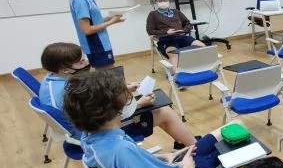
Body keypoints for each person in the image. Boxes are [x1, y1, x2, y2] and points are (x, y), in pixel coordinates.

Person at [62, 70, 229, 168]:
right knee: (236, 138)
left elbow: (132, 162)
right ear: (115, 110)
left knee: (229, 130)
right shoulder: (121, 150)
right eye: (126, 97)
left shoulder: (89, 137)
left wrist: (163, 157)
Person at [39, 42, 196, 149]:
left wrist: (124, 89)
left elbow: (92, 101)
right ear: (65, 69)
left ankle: (182, 141)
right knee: (164, 111)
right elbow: (101, 117)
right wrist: (139, 104)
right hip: (95, 135)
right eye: (81, 62)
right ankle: (195, 148)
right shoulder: (67, 90)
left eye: (84, 58)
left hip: (83, 130)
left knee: (157, 109)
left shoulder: (52, 80)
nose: (87, 63)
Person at [61, 0, 124, 69]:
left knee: (108, 75)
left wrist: (109, 18)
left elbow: (92, 21)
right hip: (96, 45)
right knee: (108, 76)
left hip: (100, 44)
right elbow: (87, 29)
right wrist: (111, 22)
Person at [146, 0, 206, 69]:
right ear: (156, 1)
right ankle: (175, 75)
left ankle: (201, 69)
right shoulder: (153, 14)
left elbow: (188, 23)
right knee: (174, 54)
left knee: (202, 46)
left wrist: (184, 30)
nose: (163, 2)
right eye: (160, 0)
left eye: (165, 0)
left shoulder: (176, 12)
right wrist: (166, 32)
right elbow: (150, 31)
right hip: (167, 40)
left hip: (182, 37)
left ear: (168, 0)